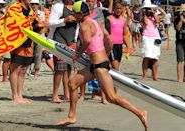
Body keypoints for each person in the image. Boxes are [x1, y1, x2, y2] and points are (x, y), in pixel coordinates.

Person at [57, 1, 148, 131]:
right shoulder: (96, 22)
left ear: (81, 14)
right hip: (96, 64)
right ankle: (72, 116)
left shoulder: (84, 24)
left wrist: (78, 55)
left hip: (99, 66)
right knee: (72, 84)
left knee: (112, 97)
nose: (73, 17)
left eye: (75, 14)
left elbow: (87, 40)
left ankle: (140, 113)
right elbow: (109, 40)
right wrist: (105, 54)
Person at [0, 0, 44, 104]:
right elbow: (9, 25)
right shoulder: (14, 8)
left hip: (28, 42)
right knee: (15, 69)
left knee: (24, 69)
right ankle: (15, 96)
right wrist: (29, 21)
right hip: (16, 42)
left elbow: (33, 26)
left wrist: (37, 24)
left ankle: (20, 95)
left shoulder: (30, 10)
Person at [48, 0, 77, 103]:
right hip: (59, 38)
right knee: (60, 68)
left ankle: (67, 95)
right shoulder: (58, 6)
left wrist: (76, 40)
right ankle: (55, 95)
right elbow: (50, 23)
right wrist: (64, 20)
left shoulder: (76, 7)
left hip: (71, 40)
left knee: (69, 69)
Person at [107, 0, 130, 71]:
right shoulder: (109, 18)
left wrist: (129, 47)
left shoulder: (123, 19)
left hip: (119, 46)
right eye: (117, 8)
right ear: (113, 8)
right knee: (116, 67)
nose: (118, 10)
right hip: (111, 45)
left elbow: (125, 35)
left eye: (120, 8)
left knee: (116, 68)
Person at [141, 0, 161, 81]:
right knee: (146, 56)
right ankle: (144, 75)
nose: (148, 9)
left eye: (149, 8)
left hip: (155, 37)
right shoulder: (142, 16)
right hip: (146, 37)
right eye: (147, 8)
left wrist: (153, 12)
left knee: (155, 57)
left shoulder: (154, 15)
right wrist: (145, 13)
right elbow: (145, 22)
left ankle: (155, 76)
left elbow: (158, 21)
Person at [30, 0, 45, 78]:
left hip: (39, 35)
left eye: (36, 4)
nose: (34, 5)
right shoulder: (27, 12)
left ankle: (36, 71)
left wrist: (36, 18)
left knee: (38, 54)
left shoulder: (41, 13)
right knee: (28, 53)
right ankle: (27, 70)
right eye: (32, 4)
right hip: (29, 35)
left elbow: (41, 24)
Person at [174, 4, 185, 82]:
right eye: (182, 11)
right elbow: (178, 28)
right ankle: (179, 78)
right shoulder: (177, 18)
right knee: (180, 60)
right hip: (180, 41)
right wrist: (181, 20)